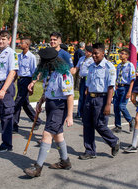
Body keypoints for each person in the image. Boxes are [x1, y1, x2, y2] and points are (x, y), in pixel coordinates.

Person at [24, 47, 74, 178]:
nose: (41, 62)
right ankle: (65, 161)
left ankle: (37, 168)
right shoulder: (49, 71)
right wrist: (41, 102)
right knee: (58, 135)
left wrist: (69, 115)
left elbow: (70, 96)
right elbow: (48, 89)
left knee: (46, 134)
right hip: (51, 105)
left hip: (59, 107)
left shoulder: (64, 74)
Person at [79, 43, 119, 160]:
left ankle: (114, 141)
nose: (94, 56)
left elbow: (111, 87)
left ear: (103, 53)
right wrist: (86, 98)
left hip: (102, 98)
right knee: (87, 124)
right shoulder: (91, 67)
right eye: (93, 54)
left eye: (96, 54)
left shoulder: (109, 67)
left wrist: (108, 104)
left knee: (99, 124)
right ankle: (90, 150)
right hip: (90, 98)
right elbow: (88, 84)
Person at [13, 38, 42, 133]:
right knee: (24, 104)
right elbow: (17, 69)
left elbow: (34, 72)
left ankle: (13, 124)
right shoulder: (19, 56)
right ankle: (37, 120)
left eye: (22, 43)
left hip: (27, 80)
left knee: (17, 102)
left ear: (27, 45)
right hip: (20, 80)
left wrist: (32, 86)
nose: (20, 44)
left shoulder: (31, 57)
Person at [113, 48, 136, 133]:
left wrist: (129, 91)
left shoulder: (130, 65)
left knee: (122, 106)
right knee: (116, 107)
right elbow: (117, 77)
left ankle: (130, 120)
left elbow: (132, 79)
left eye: (122, 53)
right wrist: (115, 85)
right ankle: (118, 126)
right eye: (120, 53)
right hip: (118, 87)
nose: (120, 55)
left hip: (126, 87)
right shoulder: (119, 65)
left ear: (127, 55)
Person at [73, 45, 94, 118]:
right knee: (81, 96)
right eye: (85, 51)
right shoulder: (82, 58)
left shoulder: (92, 60)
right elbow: (76, 68)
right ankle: (79, 112)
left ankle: (87, 112)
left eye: (87, 51)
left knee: (87, 96)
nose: (86, 52)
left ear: (91, 53)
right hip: (82, 79)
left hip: (88, 79)